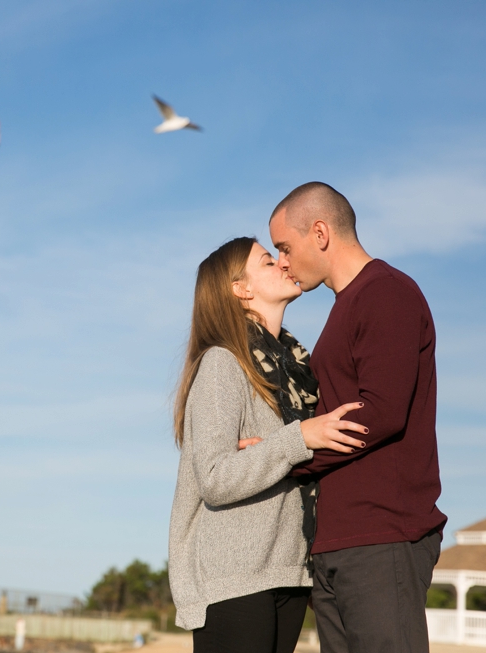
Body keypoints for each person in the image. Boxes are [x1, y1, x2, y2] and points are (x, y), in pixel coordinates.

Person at [269, 182, 448, 653]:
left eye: (285, 247)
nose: (282, 262)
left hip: (382, 535)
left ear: (321, 232)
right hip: (337, 541)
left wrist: (288, 456)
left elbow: (382, 413)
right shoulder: (345, 306)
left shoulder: (387, 293)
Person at [168, 236, 368, 653]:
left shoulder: (298, 371)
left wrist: (279, 446)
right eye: (266, 260)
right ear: (241, 289)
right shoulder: (223, 362)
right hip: (234, 577)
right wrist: (299, 438)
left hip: (290, 571)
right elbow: (215, 479)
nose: (282, 263)